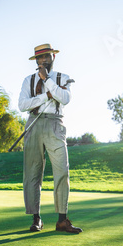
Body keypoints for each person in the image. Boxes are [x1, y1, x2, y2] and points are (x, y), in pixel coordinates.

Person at [18, 43, 82, 234]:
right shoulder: (27, 81)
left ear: (53, 57)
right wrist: (46, 96)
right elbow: (22, 105)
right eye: (40, 58)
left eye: (47, 56)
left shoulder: (63, 78)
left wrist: (47, 81)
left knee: (62, 170)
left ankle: (62, 220)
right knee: (32, 173)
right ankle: (36, 219)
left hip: (55, 124)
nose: (43, 60)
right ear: (36, 61)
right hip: (33, 125)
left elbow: (65, 98)